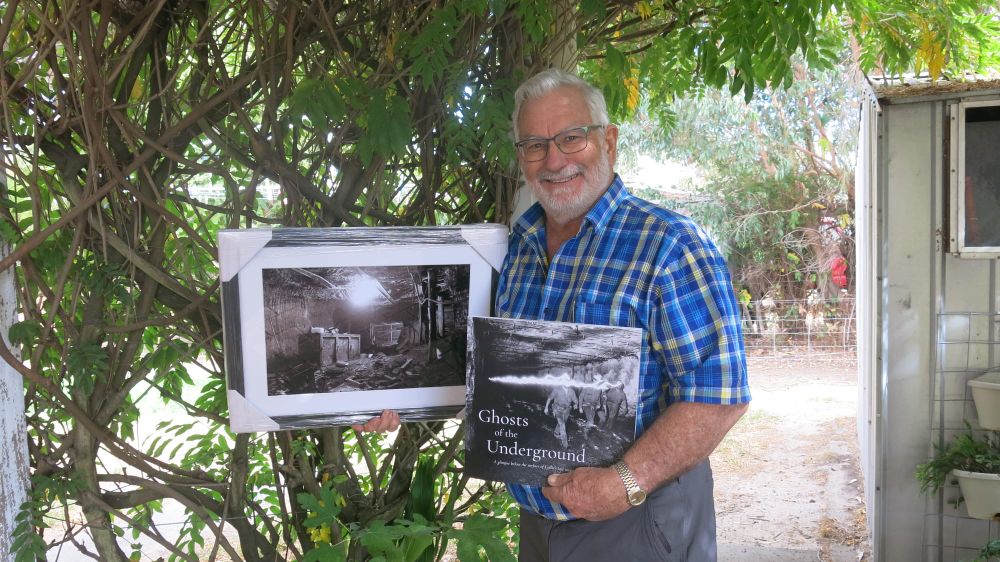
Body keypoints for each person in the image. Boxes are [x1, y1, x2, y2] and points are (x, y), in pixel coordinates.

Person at [357, 68, 751, 562]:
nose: (554, 160)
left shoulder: (670, 245)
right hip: (538, 525)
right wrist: (396, 398)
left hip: (638, 522)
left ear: (608, 140)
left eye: (572, 138)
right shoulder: (513, 248)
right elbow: (491, 371)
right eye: (535, 145)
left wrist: (626, 482)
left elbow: (719, 397)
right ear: (521, 157)